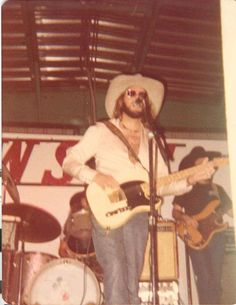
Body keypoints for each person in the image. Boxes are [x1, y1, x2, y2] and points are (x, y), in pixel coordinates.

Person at [62, 73, 215, 305]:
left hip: (138, 213)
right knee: (115, 271)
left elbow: (163, 183)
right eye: (131, 93)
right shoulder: (101, 131)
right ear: (120, 101)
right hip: (108, 207)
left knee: (133, 278)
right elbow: (70, 161)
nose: (137, 97)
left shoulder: (153, 139)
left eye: (142, 95)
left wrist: (191, 179)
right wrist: (96, 176)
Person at [172, 146, 233, 305]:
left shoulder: (218, 189)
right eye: (201, 163)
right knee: (204, 278)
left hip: (216, 237)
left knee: (215, 279)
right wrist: (185, 217)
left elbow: (231, 212)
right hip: (195, 236)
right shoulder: (186, 188)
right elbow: (175, 212)